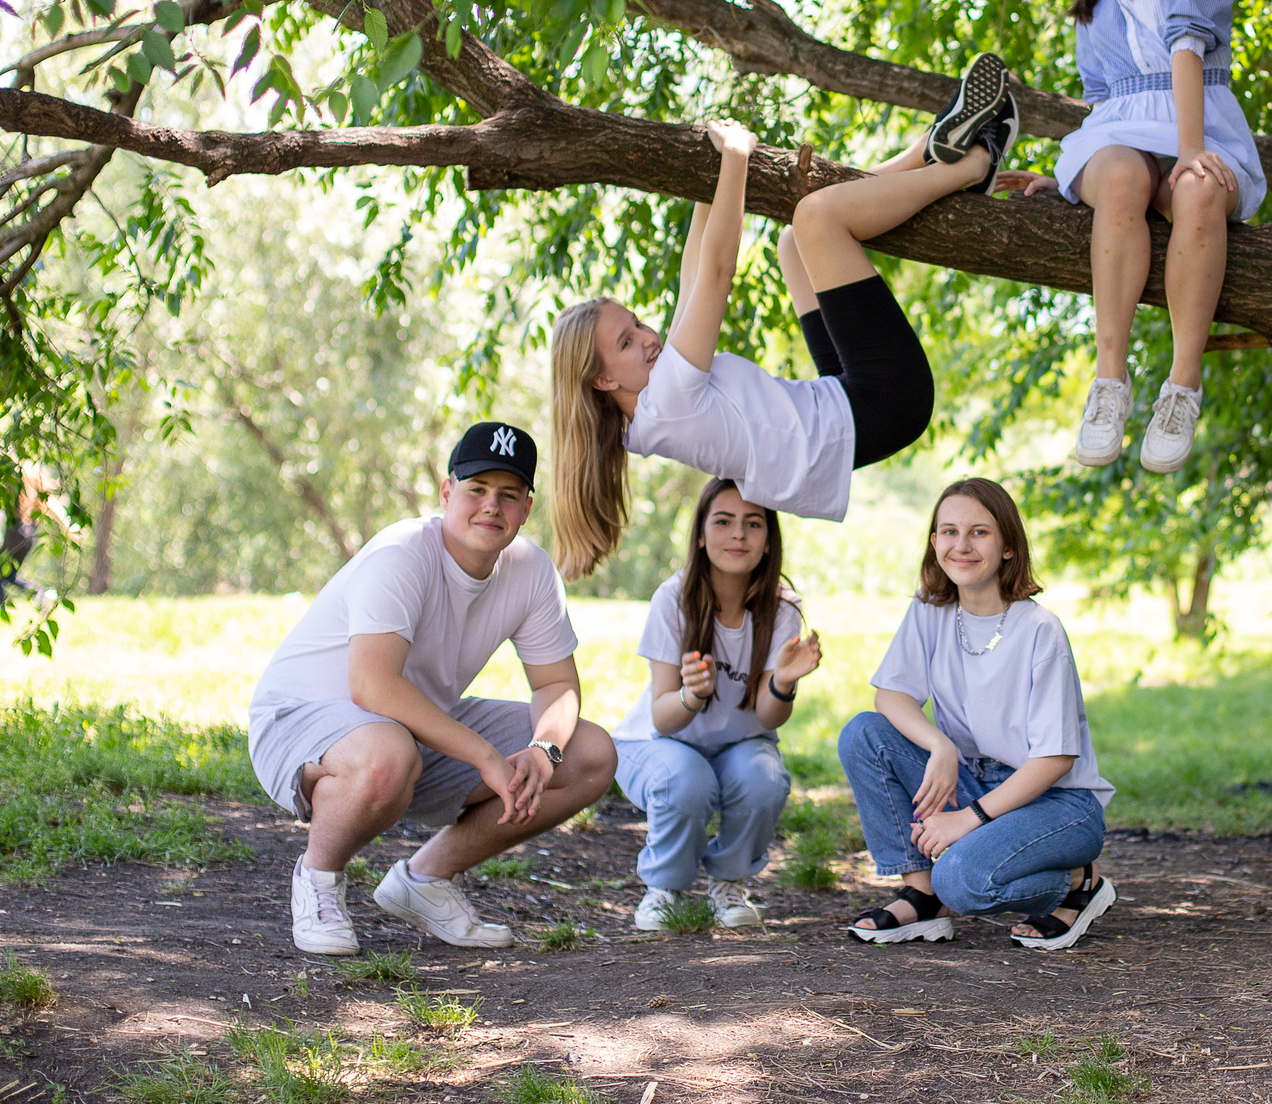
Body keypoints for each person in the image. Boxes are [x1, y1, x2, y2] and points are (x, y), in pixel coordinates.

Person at [550, 58, 1019, 575]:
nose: (645, 337)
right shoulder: (669, 403)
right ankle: (974, 165)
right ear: (602, 379)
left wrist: (706, 179)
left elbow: (691, 277)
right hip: (884, 401)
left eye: (636, 323)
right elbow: (717, 272)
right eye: (624, 343)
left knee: (794, 243)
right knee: (816, 219)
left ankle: (924, 152)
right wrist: (736, 159)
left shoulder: (652, 406)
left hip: (844, 397)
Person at [245, 421, 616, 956]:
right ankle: (318, 879)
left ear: (526, 508)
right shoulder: (401, 553)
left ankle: (426, 880)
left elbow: (557, 684)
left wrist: (544, 747)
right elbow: (372, 685)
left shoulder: (531, 569)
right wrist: (484, 755)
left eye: (508, 495)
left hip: (409, 732)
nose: (492, 506)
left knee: (589, 753)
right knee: (386, 754)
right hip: (302, 723)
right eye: (477, 490)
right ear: (447, 492)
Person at [998, 0, 1262, 476]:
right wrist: (1067, 173)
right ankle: (1110, 386)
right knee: (1116, 176)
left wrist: (1193, 152)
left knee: (1198, 192)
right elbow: (1101, 100)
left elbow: (1186, 49)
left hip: (1194, 120)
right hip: (1120, 131)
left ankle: (1181, 389)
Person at [837, 477, 1117, 952]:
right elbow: (891, 695)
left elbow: (1055, 760)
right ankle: (922, 894)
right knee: (864, 732)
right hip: (971, 777)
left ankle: (1077, 883)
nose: (961, 545)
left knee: (963, 881)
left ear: (1008, 546)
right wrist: (939, 746)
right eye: (948, 532)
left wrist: (969, 818)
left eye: (979, 532)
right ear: (934, 542)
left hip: (1057, 804)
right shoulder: (931, 611)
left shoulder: (1040, 632)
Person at [608, 476, 823, 931]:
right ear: (701, 536)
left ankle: (730, 883)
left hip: (738, 745)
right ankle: (664, 888)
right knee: (687, 779)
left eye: (753, 524)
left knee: (764, 777)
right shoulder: (674, 598)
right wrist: (692, 695)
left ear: (769, 540)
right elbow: (664, 719)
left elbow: (769, 715)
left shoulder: (783, 609)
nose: (739, 535)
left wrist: (783, 681)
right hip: (656, 743)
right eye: (723, 522)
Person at [0, 460, 75, 605]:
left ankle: (1, 609)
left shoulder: (17, 489)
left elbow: (0, 509)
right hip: (29, 536)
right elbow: (53, 507)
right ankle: (42, 595)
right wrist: (68, 528)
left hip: (14, 533)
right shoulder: (37, 492)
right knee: (10, 577)